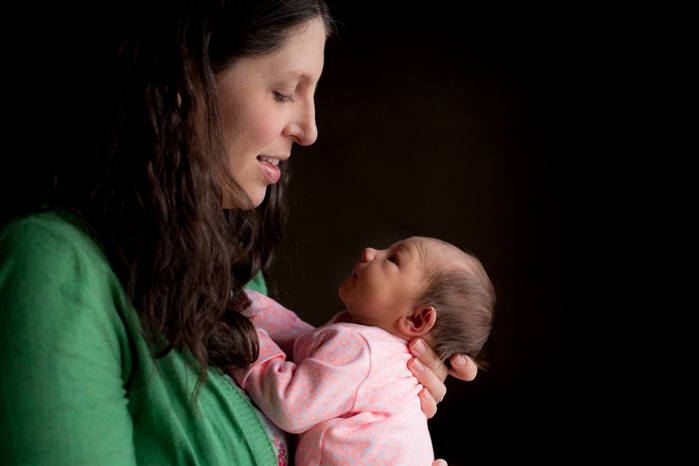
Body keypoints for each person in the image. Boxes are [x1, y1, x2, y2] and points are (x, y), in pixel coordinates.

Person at [0, 1, 478, 464]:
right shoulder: (55, 271)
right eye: (286, 90)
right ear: (185, 80)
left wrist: (385, 404)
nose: (310, 130)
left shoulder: (232, 267)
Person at [232, 237, 495, 465]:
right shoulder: (381, 354)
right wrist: (250, 306)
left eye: (393, 259)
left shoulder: (363, 351)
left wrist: (243, 338)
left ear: (416, 320)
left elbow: (290, 404)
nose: (370, 251)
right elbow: (305, 344)